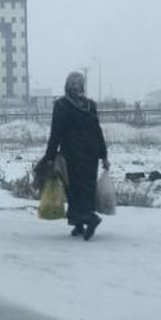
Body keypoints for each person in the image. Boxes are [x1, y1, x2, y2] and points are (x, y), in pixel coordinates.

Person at [44, 71, 110, 240]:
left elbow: (56, 133)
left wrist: (50, 156)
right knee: (86, 190)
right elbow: (98, 131)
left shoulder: (62, 105)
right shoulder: (90, 105)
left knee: (73, 190)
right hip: (90, 156)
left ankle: (91, 219)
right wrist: (103, 155)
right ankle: (79, 225)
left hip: (72, 155)